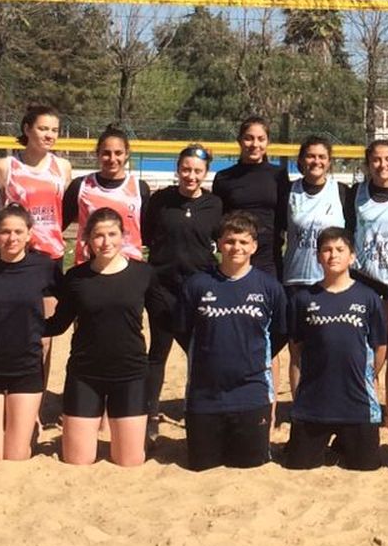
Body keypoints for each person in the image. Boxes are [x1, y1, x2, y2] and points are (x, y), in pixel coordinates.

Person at [48, 209, 172, 467]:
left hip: (130, 374)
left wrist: (156, 359)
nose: (106, 242)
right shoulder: (76, 278)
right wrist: (19, 325)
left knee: (129, 461)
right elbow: (58, 325)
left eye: (112, 234)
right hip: (85, 374)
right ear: (88, 240)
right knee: (77, 460)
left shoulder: (143, 274)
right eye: (98, 236)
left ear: (124, 236)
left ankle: (139, 437)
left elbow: (163, 320)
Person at [177, 214, 289, 471]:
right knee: (201, 465)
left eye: (242, 241)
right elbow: (183, 330)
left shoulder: (269, 287)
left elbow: (280, 333)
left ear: (254, 246)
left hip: (251, 393)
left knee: (250, 465)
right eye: (229, 241)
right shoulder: (197, 285)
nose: (236, 247)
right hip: (204, 395)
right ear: (218, 244)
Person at [0, 205, 61, 464]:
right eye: (5, 232)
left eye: (19, 231)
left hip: (26, 367)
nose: (12, 238)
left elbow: (71, 301)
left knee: (17, 457)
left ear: (29, 234)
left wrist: (48, 328)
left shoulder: (44, 267)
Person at [285, 228, 387, 471]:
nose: (333, 255)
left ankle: (345, 442)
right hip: (313, 405)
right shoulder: (303, 298)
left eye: (340, 250)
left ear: (352, 256)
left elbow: (380, 346)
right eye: (327, 250)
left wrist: (369, 376)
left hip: (357, 404)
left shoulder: (368, 297)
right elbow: (296, 351)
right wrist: (299, 396)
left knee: (367, 466)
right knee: (298, 465)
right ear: (318, 256)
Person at [140, 144, 223, 429]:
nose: (191, 175)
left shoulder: (214, 204)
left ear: (205, 173)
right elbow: (148, 234)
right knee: (158, 351)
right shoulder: (161, 200)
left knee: (198, 351)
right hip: (162, 286)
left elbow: (218, 240)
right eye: (186, 169)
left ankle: (198, 409)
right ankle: (149, 413)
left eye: (197, 171)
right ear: (177, 169)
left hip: (198, 288)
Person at [349, 139, 388, 431]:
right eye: (376, 160)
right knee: (367, 346)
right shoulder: (356, 194)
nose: (382, 165)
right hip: (364, 278)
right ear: (367, 163)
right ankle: (365, 401)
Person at [0, 103, 71, 262]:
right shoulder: (7, 166)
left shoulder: (63, 167)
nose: (49, 135)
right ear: (27, 129)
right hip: (17, 251)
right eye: (43, 129)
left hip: (52, 252)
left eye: (54, 130)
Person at [62, 125, 149, 263]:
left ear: (127, 153)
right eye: (106, 153)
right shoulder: (81, 185)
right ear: (98, 154)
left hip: (128, 267)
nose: (112, 158)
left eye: (118, 153)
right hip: (89, 266)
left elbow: (146, 231)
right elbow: (59, 224)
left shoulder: (139, 188)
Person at [278, 135, 352, 292]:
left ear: (329, 162)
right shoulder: (289, 191)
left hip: (332, 280)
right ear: (301, 160)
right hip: (295, 279)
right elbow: (279, 231)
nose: (316, 161)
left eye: (322, 157)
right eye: (311, 156)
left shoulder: (341, 192)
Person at [213, 119, 284, 274]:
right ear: (239, 140)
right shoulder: (224, 177)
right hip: (235, 255)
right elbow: (219, 220)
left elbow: (283, 217)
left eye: (261, 139)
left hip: (268, 257)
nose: (255, 144)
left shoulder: (278, 175)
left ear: (268, 142)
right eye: (249, 138)